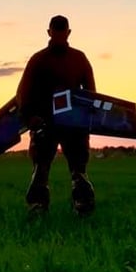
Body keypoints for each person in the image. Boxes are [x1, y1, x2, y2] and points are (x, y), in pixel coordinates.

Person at [15, 15, 97, 216]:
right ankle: (38, 207)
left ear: (68, 33)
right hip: (44, 123)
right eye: (57, 32)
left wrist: (87, 119)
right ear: (49, 32)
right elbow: (23, 93)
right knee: (40, 170)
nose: (60, 36)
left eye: (62, 32)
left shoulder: (79, 58)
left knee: (79, 169)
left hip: (74, 125)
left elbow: (90, 93)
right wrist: (30, 117)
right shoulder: (38, 59)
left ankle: (83, 205)